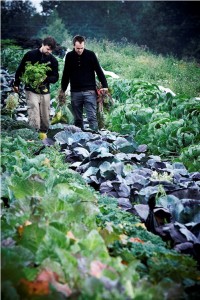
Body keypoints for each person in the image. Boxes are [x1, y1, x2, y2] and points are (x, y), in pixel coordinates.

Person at [59, 35, 108, 132]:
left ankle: (95, 136)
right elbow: (66, 74)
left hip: (89, 91)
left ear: (84, 45)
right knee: (77, 119)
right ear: (74, 46)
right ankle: (79, 137)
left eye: (82, 48)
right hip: (75, 92)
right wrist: (62, 90)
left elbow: (99, 71)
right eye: (78, 48)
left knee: (91, 117)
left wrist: (105, 86)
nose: (80, 50)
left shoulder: (91, 55)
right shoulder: (69, 56)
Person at [13, 36, 59, 133]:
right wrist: (16, 84)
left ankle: (44, 137)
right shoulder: (30, 55)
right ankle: (33, 135)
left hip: (45, 90)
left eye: (51, 50)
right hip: (31, 89)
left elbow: (55, 77)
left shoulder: (53, 60)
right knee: (34, 113)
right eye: (48, 49)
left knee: (46, 118)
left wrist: (46, 78)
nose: (49, 52)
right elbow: (20, 70)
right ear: (43, 44)